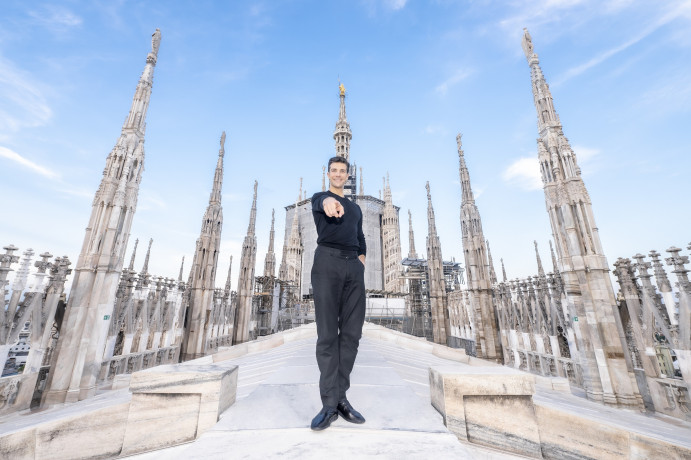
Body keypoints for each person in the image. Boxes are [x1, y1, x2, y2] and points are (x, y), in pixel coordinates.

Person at [309, 156, 367, 431]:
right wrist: (329, 204)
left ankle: (340, 397)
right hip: (327, 263)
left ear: (347, 175)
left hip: (353, 267)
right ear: (328, 173)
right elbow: (324, 203)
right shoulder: (320, 198)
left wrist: (362, 258)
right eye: (334, 171)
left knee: (352, 335)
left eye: (342, 171)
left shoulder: (355, 208)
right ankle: (330, 404)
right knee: (328, 334)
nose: (338, 175)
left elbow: (360, 235)